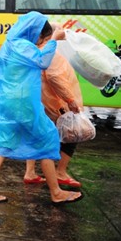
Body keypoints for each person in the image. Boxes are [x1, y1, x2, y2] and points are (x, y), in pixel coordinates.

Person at [0, 11, 83, 205]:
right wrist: (54, 39)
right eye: (42, 37)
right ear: (35, 33)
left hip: (7, 104)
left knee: (4, 144)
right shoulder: (23, 46)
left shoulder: (11, 44)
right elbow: (43, 61)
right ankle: (56, 192)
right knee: (47, 139)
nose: (41, 41)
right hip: (22, 105)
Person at [23, 23, 84, 188]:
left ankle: (30, 172)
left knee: (36, 135)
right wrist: (71, 101)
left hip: (39, 102)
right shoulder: (51, 53)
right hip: (55, 104)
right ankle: (60, 174)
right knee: (72, 135)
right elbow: (55, 78)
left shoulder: (34, 51)